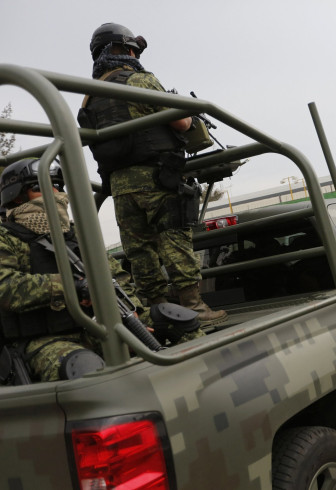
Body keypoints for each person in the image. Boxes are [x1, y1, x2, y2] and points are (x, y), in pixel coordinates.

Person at [0, 159, 204, 383]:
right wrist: (73, 287)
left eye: (57, 185)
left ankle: (204, 384)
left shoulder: (77, 234)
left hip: (101, 324)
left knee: (180, 321)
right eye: (41, 188)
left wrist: (131, 311)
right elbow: (6, 288)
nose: (55, 193)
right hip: (47, 338)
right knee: (83, 368)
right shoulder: (6, 238)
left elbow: (117, 277)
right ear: (16, 196)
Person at [77, 23, 226, 327]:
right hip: (156, 177)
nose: (134, 54)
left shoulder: (89, 97)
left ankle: (159, 313)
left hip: (119, 185)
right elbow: (183, 123)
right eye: (132, 49)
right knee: (175, 239)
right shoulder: (139, 80)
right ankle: (195, 309)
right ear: (123, 49)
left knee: (139, 251)